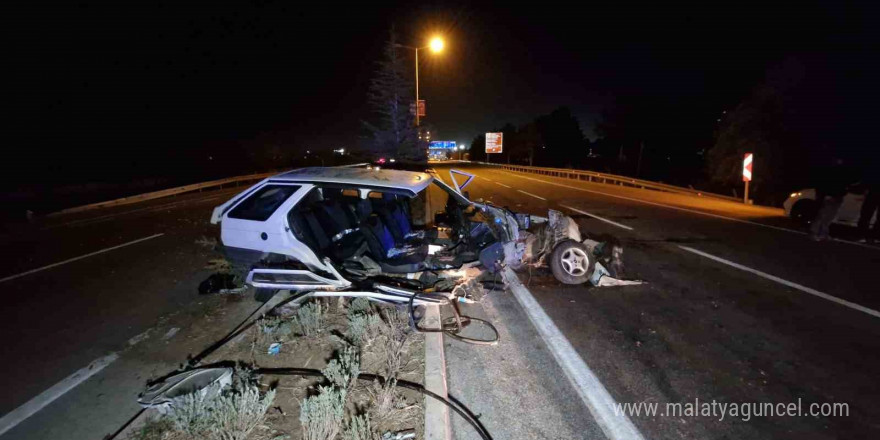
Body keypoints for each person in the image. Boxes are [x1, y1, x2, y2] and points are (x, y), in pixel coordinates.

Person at [810, 158, 853, 241]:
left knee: (829, 217)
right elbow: (823, 184)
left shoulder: (843, 173)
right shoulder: (829, 172)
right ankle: (814, 232)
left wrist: (844, 191)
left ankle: (824, 233)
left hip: (838, 196)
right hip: (829, 196)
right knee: (822, 215)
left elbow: (844, 184)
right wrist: (825, 194)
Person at [857, 170, 879, 243]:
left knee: (866, 213)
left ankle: (864, 235)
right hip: (874, 188)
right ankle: (867, 235)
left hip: (874, 188)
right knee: (866, 213)